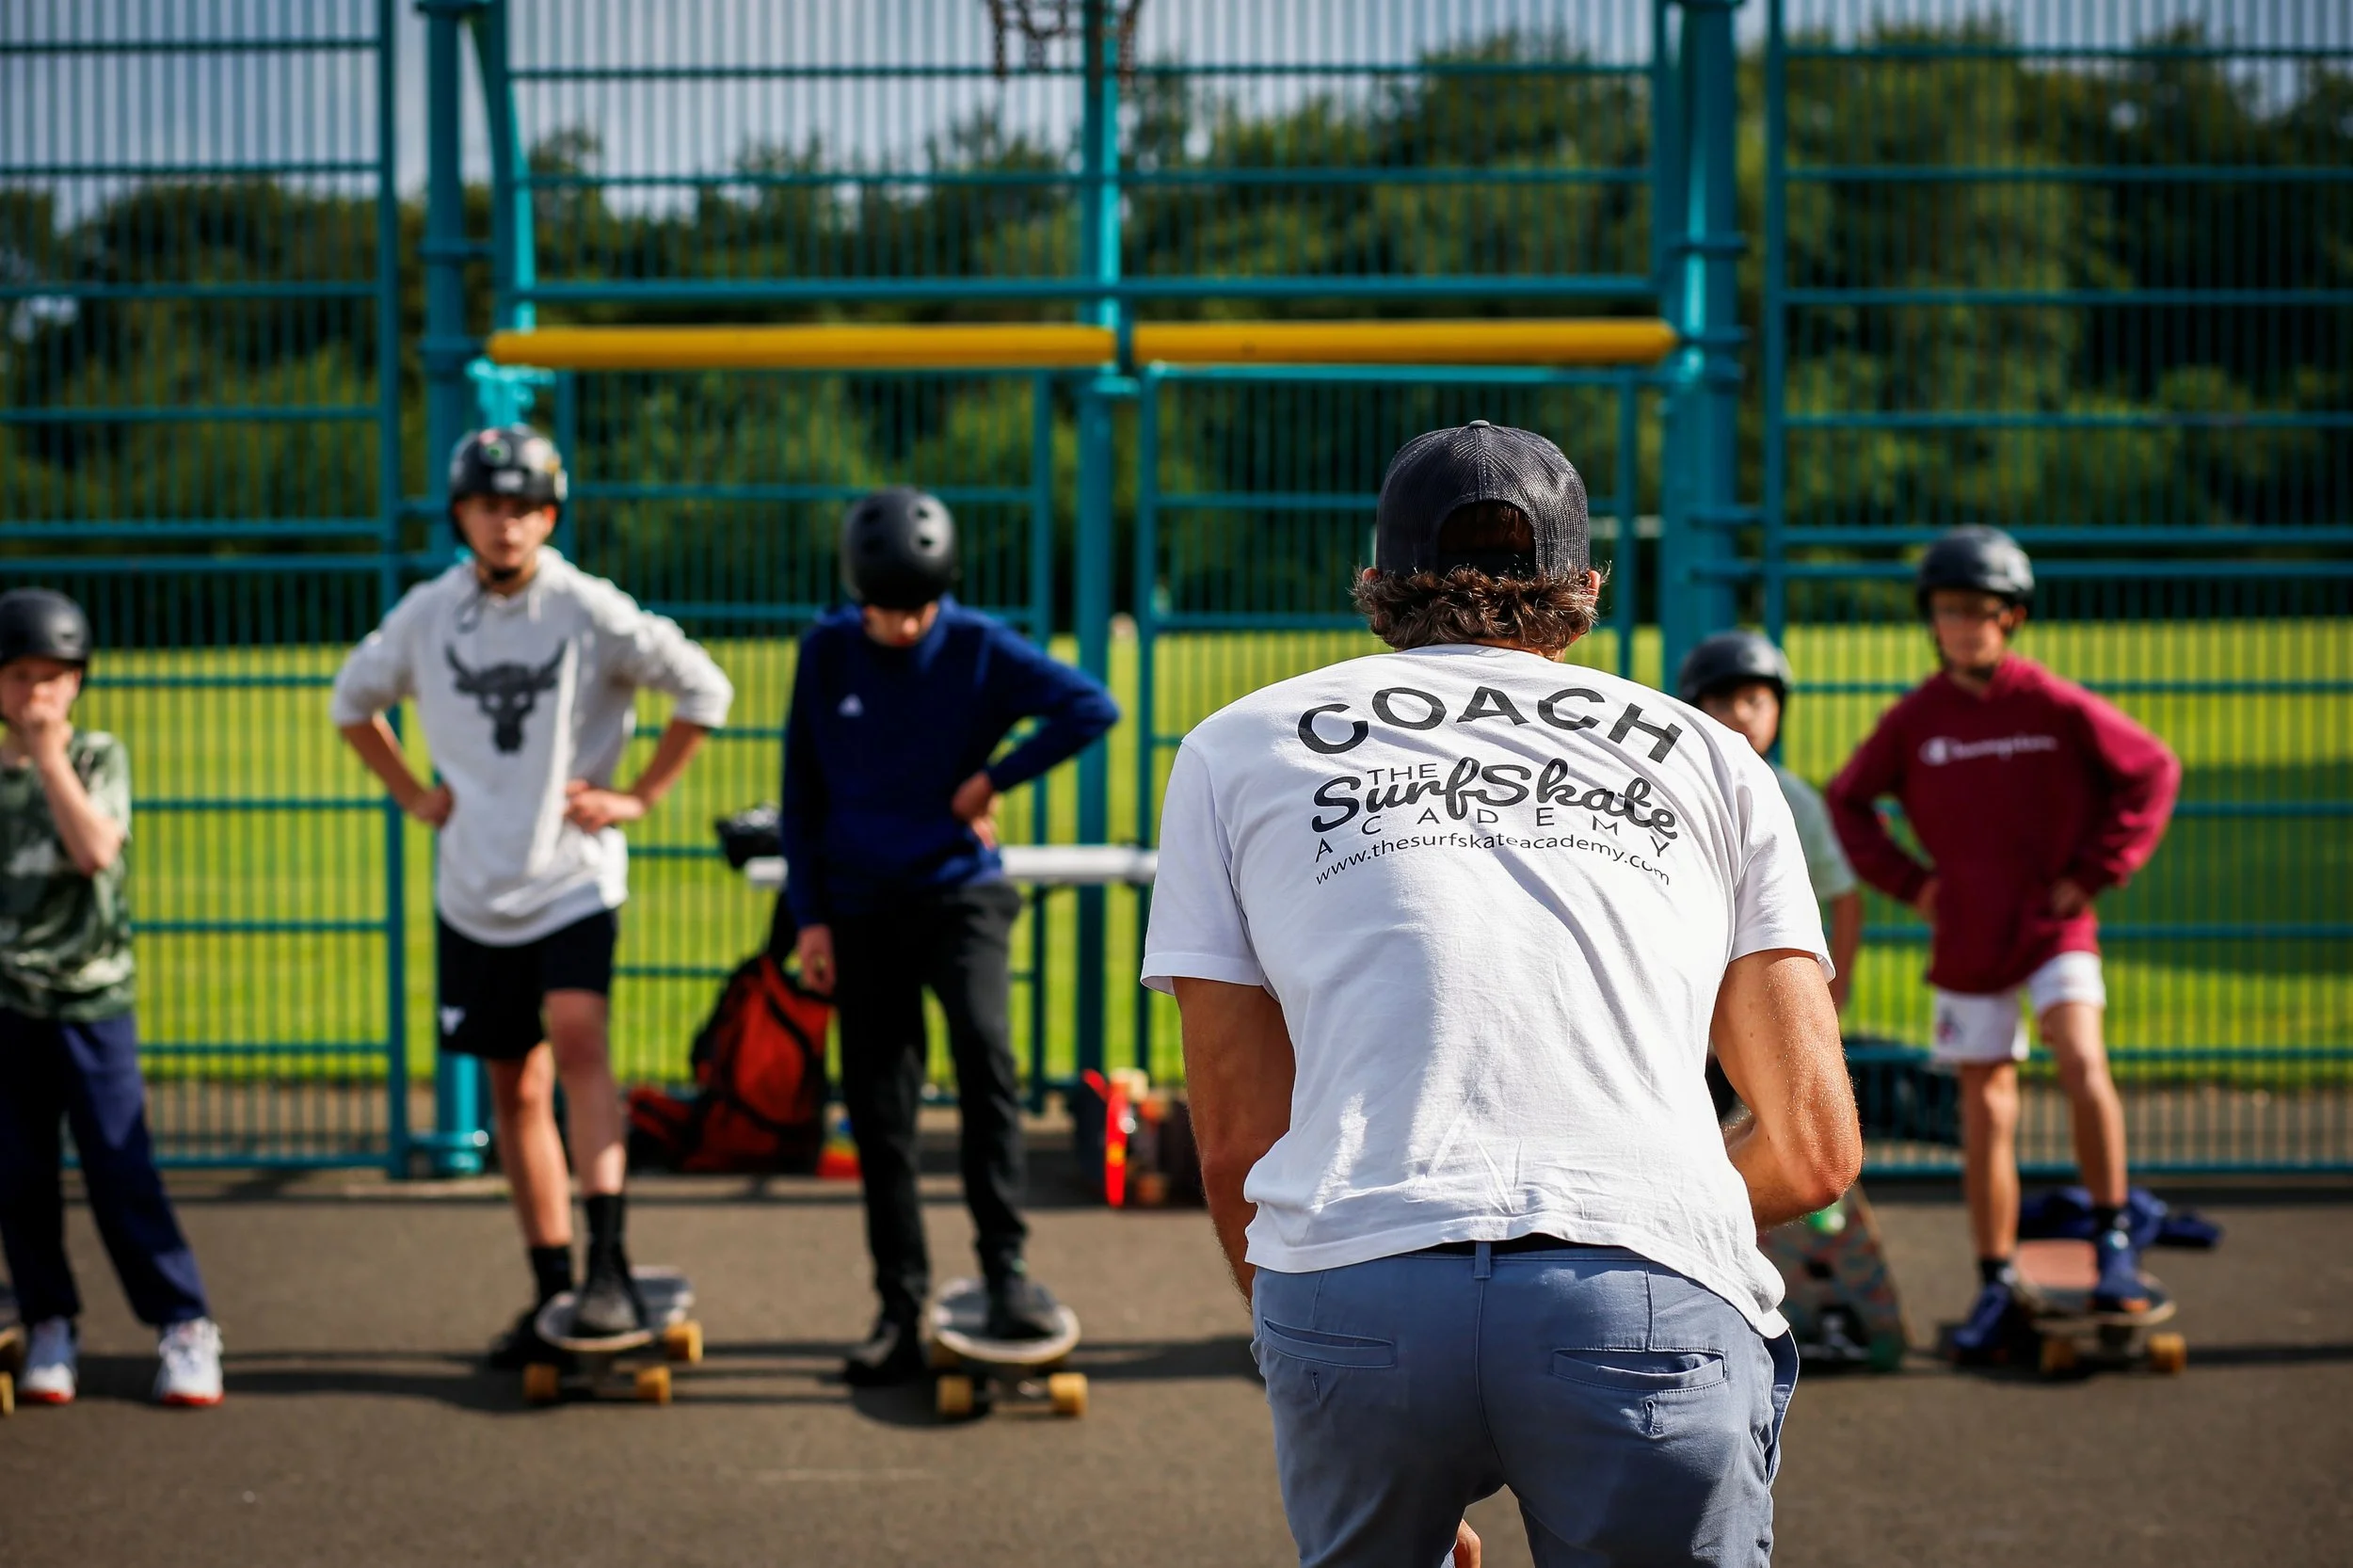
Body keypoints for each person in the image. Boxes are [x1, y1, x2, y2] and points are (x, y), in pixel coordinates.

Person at [1144, 422, 1861, 1566]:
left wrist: (1327, 1349)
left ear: (1376, 583)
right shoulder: (1714, 757)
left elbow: (1236, 1144)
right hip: (1643, 1292)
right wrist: (1637, 1214)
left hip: (1356, 1292)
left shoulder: (1235, 749)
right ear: (1584, 590)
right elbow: (1816, 1150)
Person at [332, 426, 733, 1362]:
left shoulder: (587, 608)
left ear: (549, 517)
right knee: (513, 1084)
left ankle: (609, 1263)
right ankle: (552, 1283)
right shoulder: (430, 614)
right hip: (474, 884)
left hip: (570, 876)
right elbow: (353, 700)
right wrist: (413, 793)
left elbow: (701, 689)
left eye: (522, 509)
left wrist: (639, 795)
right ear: (460, 516)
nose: (505, 525)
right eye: (488, 507)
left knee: (580, 1040)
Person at [782, 487, 1118, 1386]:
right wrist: (810, 918)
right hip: (859, 903)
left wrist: (991, 779)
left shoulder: (977, 645)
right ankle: (898, 1305)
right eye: (885, 609)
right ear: (858, 594)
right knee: (880, 1107)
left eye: (918, 607)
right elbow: (800, 795)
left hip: (959, 894)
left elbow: (1091, 708)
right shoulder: (825, 652)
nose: (902, 626)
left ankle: (1006, 1271)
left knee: (986, 1059)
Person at [1825, 526, 2178, 1352]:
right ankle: (1995, 1277)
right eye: (1950, 610)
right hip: (1969, 933)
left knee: (2081, 1057)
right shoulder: (1917, 719)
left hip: (2055, 924)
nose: (1964, 626)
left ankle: (2113, 1238)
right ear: (1932, 619)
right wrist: (1915, 885)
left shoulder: (2050, 703)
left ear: (2012, 617)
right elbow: (1849, 801)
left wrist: (2098, 868)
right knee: (1986, 1103)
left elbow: (2153, 770)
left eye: (1982, 611)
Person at [0, 588, 224, 1407]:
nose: (36, 694)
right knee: (18, 1175)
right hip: (10, 1005)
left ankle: (184, 1323)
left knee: (119, 1169)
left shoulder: (97, 757)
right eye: (19, 676)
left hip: (92, 1001)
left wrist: (47, 756)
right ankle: (49, 1321)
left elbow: (95, 848)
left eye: (53, 677)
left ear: (79, 682)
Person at [1676, 631, 1863, 1014]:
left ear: (1780, 708)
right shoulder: (1674, 792)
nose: (1741, 714)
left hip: (1771, 996)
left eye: (1755, 700)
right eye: (1722, 702)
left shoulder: (1799, 802)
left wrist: (1837, 990)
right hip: (1689, 990)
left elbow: (1844, 896)